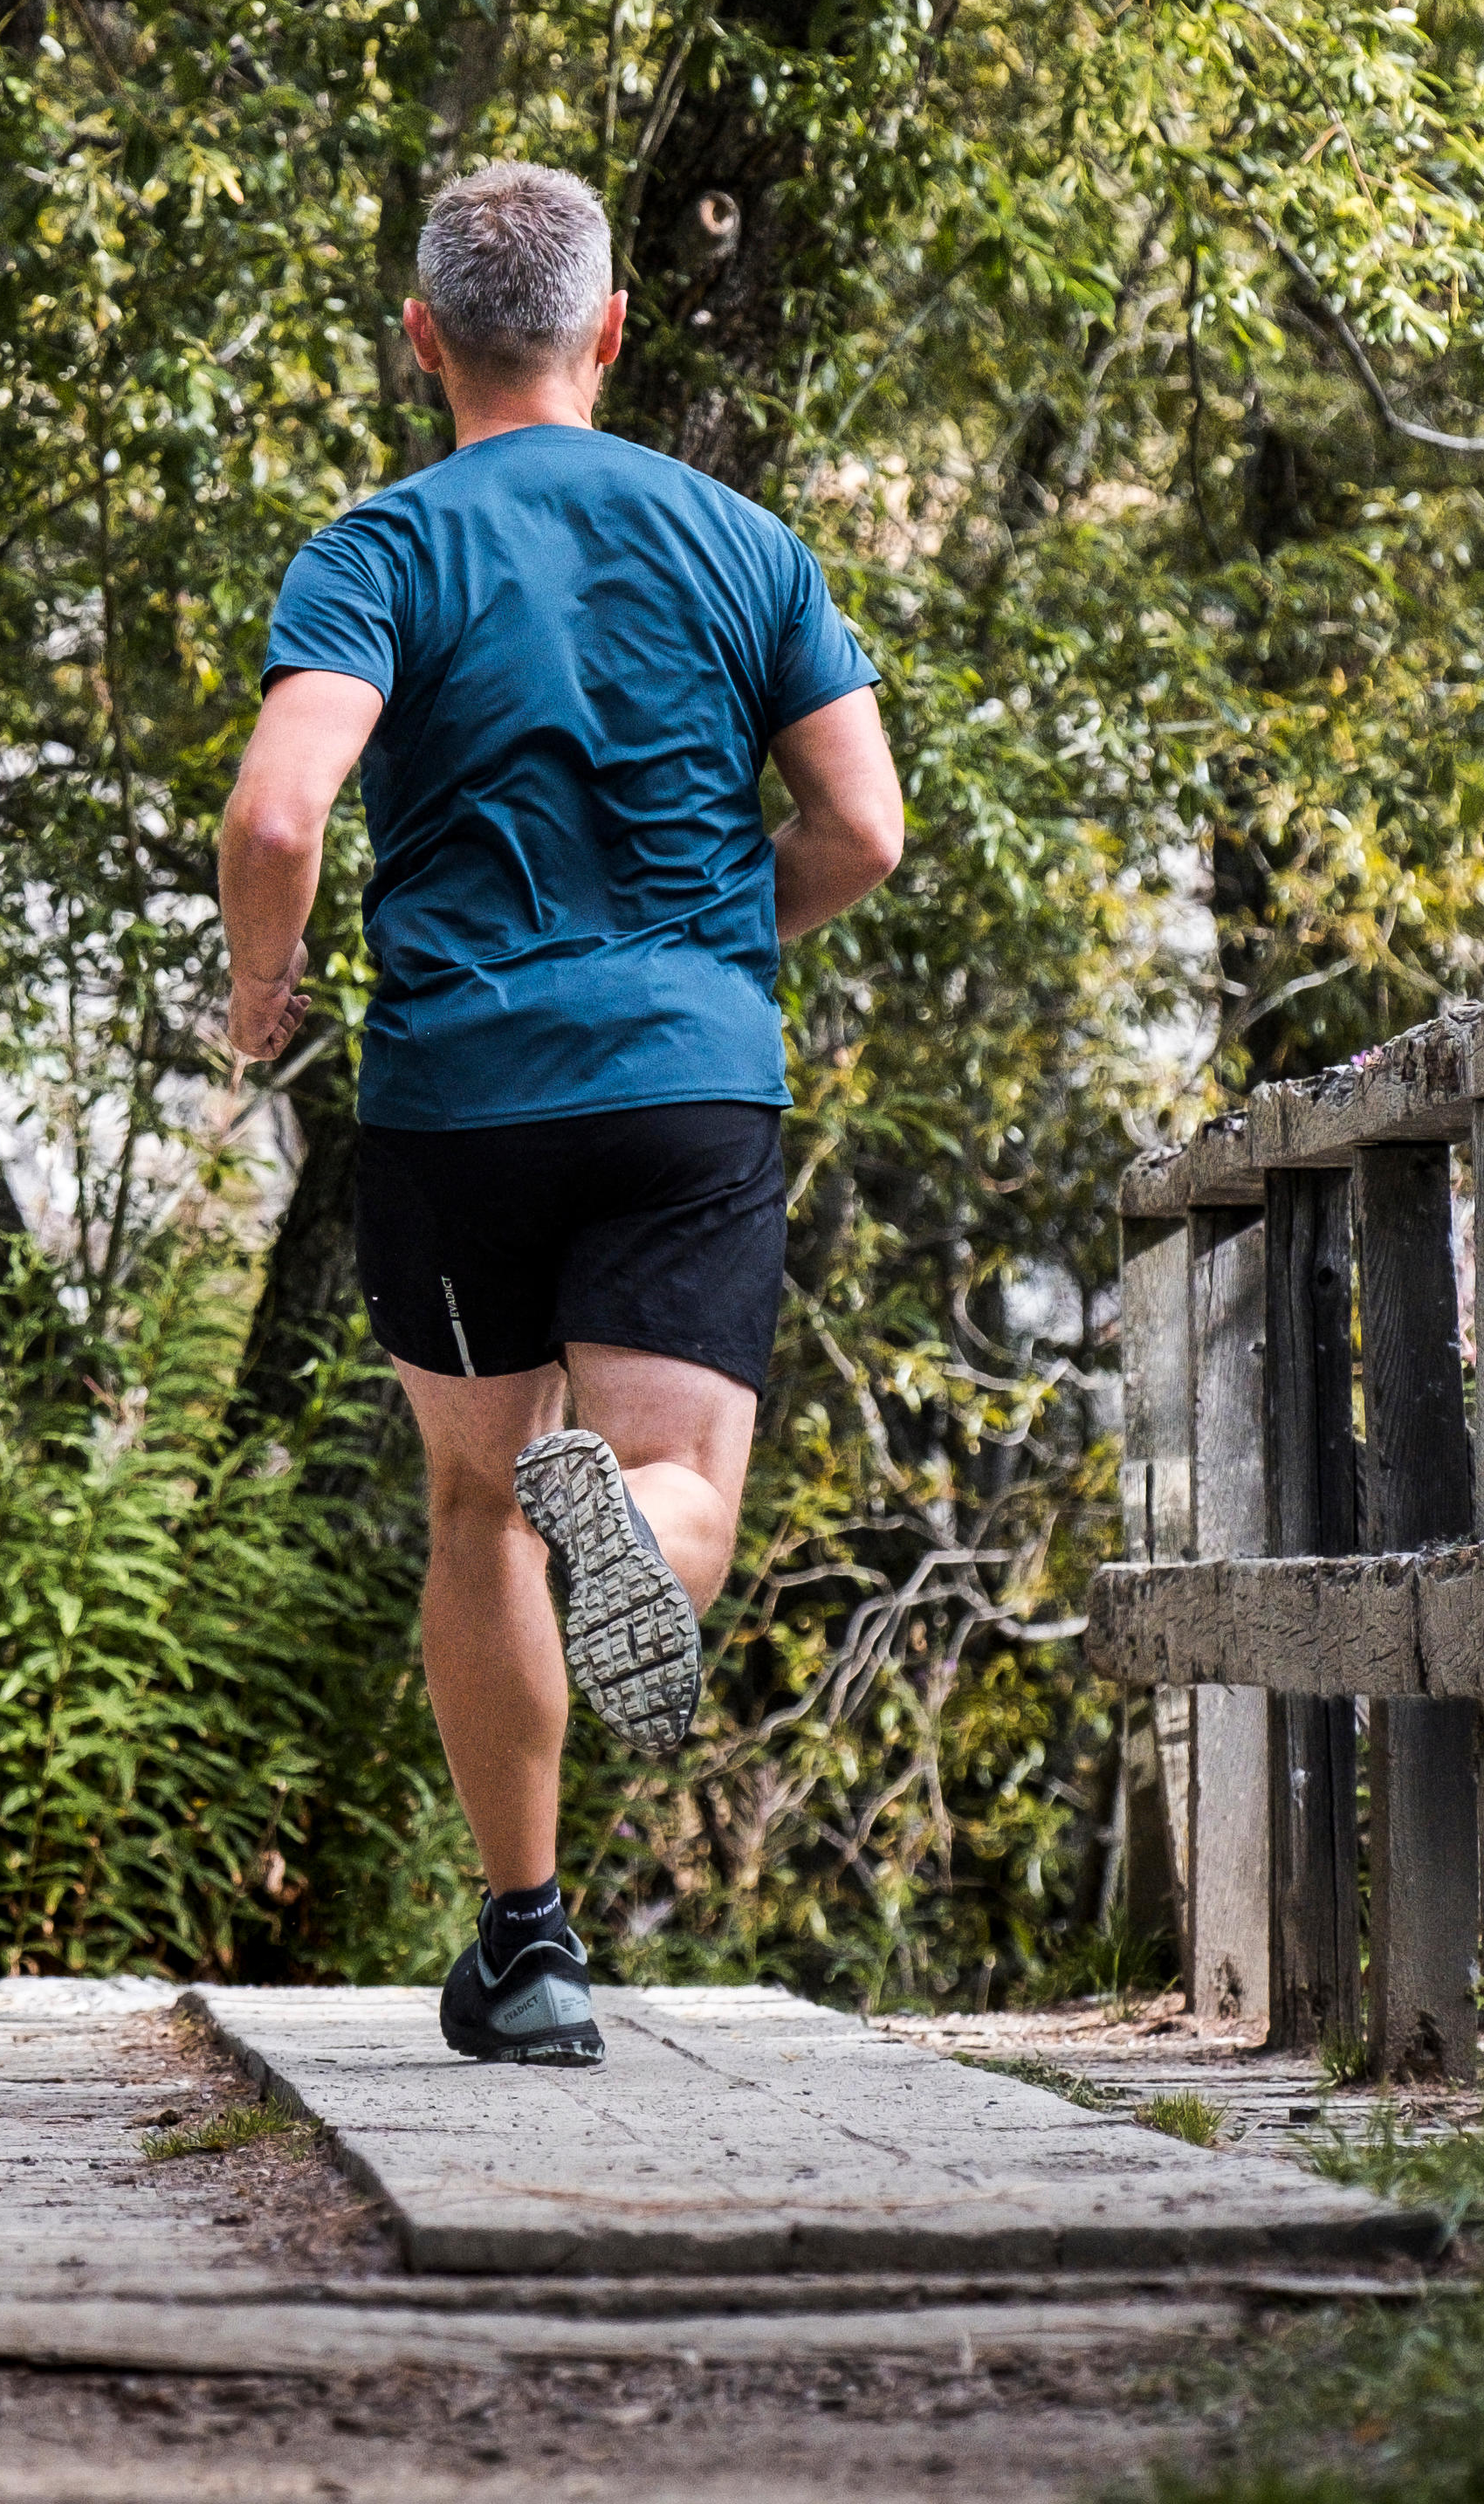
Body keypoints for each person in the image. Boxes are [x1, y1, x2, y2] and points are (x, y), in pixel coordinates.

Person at [217, 162, 902, 2068]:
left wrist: (265, 988)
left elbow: (278, 816)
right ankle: (640, 1523)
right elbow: (866, 825)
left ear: (422, 338)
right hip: (685, 1074)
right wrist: (705, 947)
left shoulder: (381, 548)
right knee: (669, 1482)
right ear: (611, 328)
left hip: (458, 1092)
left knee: (473, 1497)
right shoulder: (744, 543)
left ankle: (526, 1947)